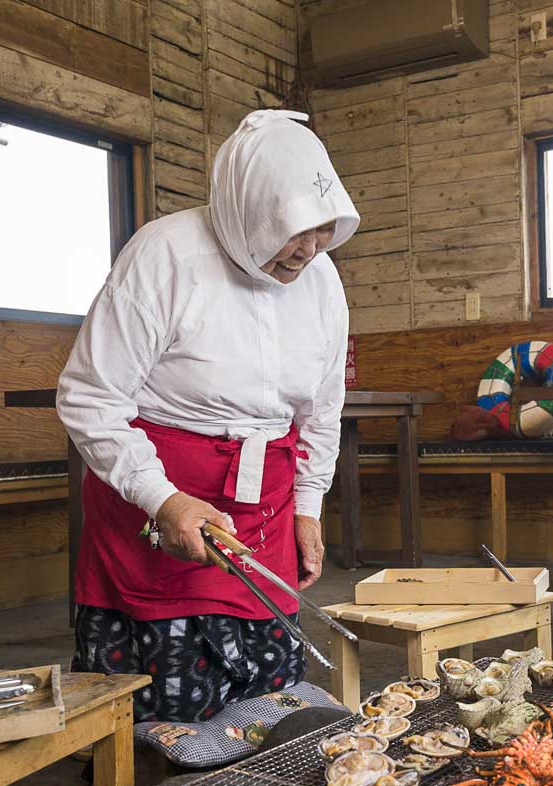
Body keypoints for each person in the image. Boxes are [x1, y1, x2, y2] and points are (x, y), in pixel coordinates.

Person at [57, 109, 359, 722]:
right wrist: (163, 501)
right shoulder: (164, 254)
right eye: (292, 231)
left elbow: (322, 409)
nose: (308, 250)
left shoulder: (321, 277)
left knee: (270, 702)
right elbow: (91, 397)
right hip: (158, 501)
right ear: (246, 211)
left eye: (322, 229)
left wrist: (308, 507)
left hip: (265, 505)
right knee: (164, 704)